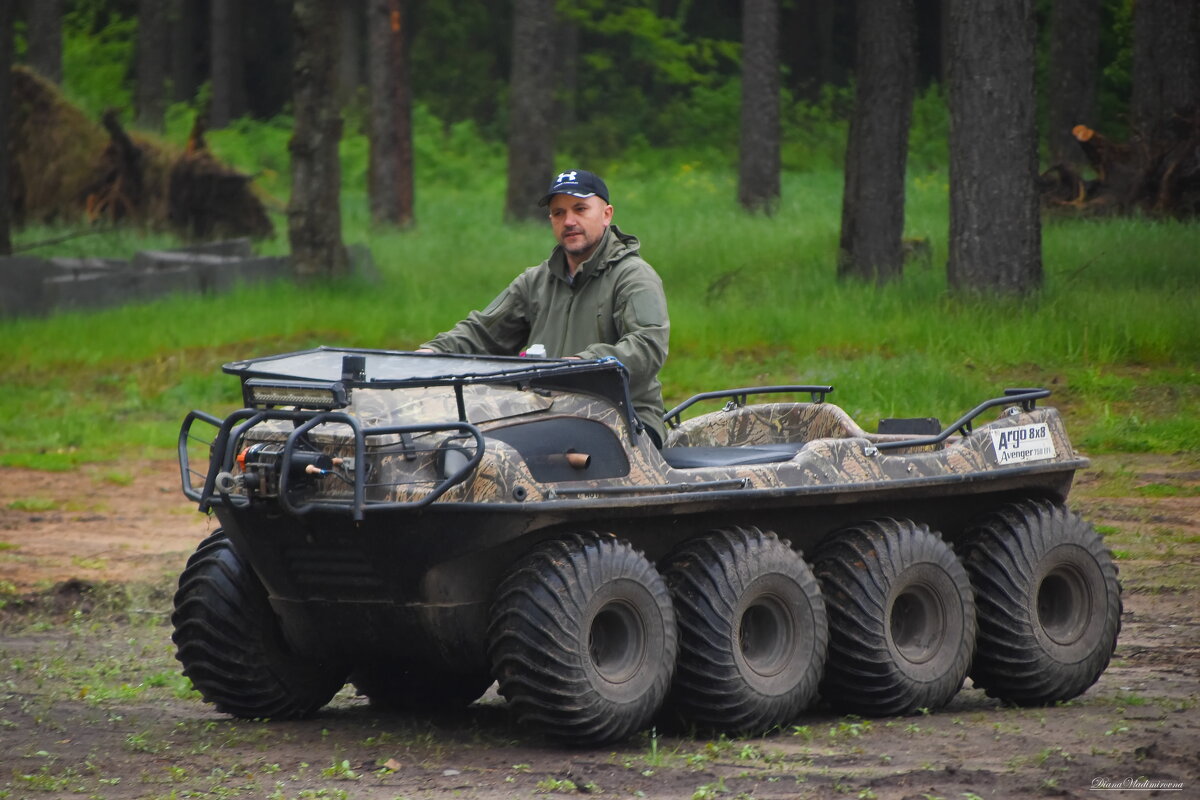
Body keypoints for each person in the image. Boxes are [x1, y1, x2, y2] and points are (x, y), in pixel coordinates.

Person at [417, 169, 670, 446]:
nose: (569, 221)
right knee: (451, 445)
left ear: (607, 214)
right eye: (558, 213)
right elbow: (481, 333)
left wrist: (581, 366)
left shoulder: (633, 276)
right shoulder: (536, 280)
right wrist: (429, 355)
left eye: (580, 209)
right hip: (547, 415)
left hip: (624, 420)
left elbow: (647, 345)